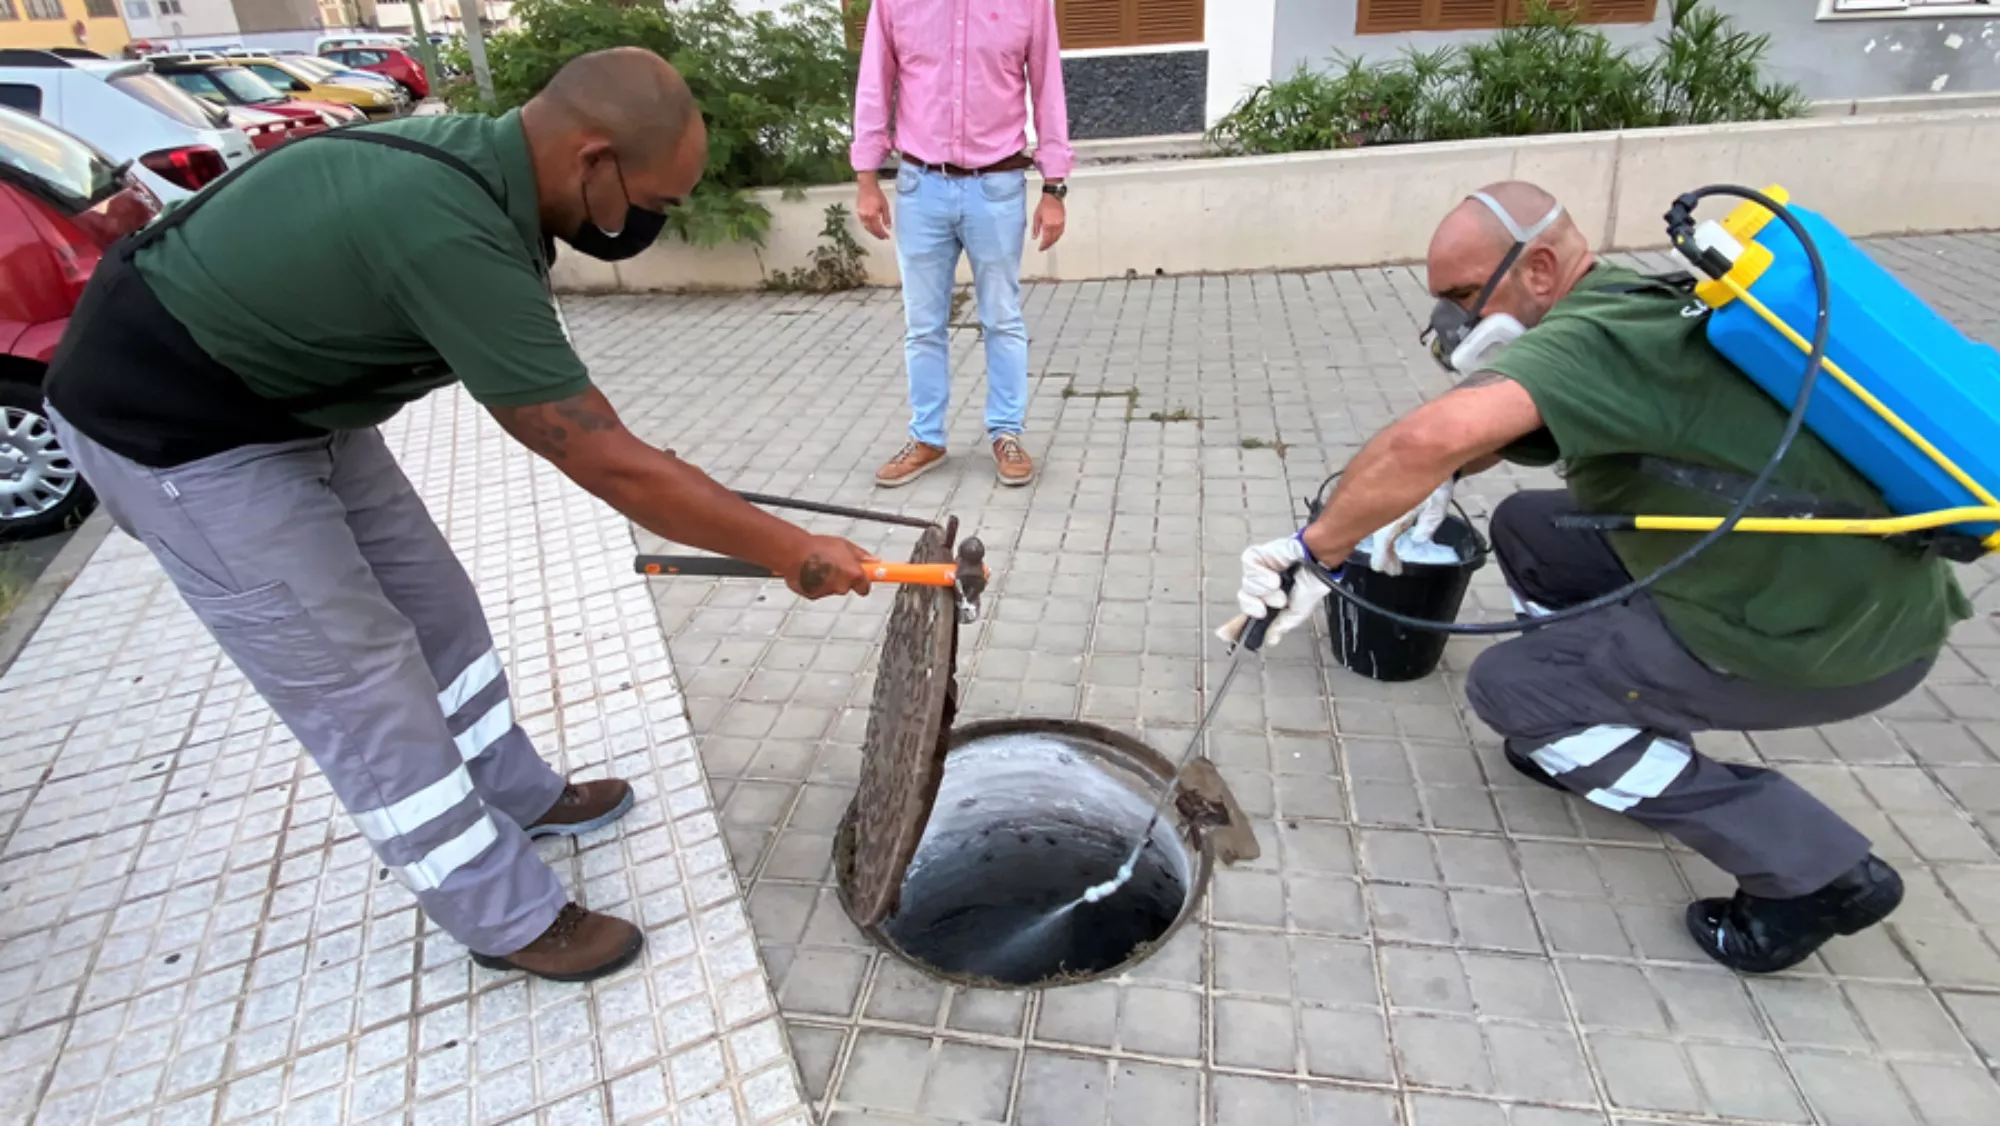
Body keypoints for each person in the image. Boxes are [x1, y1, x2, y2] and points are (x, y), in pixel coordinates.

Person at [43, 48, 876, 984]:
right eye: (660, 199)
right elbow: (606, 458)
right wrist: (793, 552)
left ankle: (513, 791)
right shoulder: (449, 226)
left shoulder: (489, 176)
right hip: (175, 428)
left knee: (436, 608)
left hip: (290, 403)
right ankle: (502, 914)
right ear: (593, 162)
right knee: (361, 680)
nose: (659, 219)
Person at [1237, 181, 1970, 974]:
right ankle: (1607, 718)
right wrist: (1420, 482)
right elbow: (1490, 430)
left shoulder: (1593, 342)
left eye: (1460, 295)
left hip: (1820, 640)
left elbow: (1433, 434)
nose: (1451, 321)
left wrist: (1318, 547)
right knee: (1531, 528)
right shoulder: (1631, 301)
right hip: (1839, 589)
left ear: (1541, 269)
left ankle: (1813, 871)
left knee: (1510, 691)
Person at [850, 0, 1074, 489]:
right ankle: (927, 437)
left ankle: (1007, 433)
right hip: (920, 184)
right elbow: (875, 85)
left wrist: (1054, 186)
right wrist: (866, 178)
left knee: (1002, 317)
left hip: (997, 185)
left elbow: (1048, 89)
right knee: (923, 323)